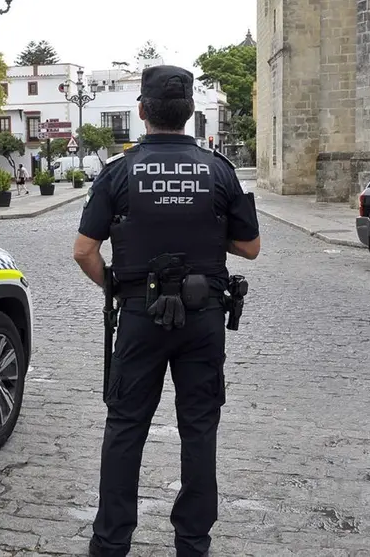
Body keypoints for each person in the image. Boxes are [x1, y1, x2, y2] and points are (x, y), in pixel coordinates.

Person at [72, 64, 261, 557]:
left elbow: (84, 251)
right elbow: (251, 245)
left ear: (141, 112)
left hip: (139, 313)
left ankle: (110, 543)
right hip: (203, 319)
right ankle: (193, 544)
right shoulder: (219, 169)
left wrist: (116, 288)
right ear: (191, 113)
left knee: (125, 427)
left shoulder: (119, 171)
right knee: (199, 428)